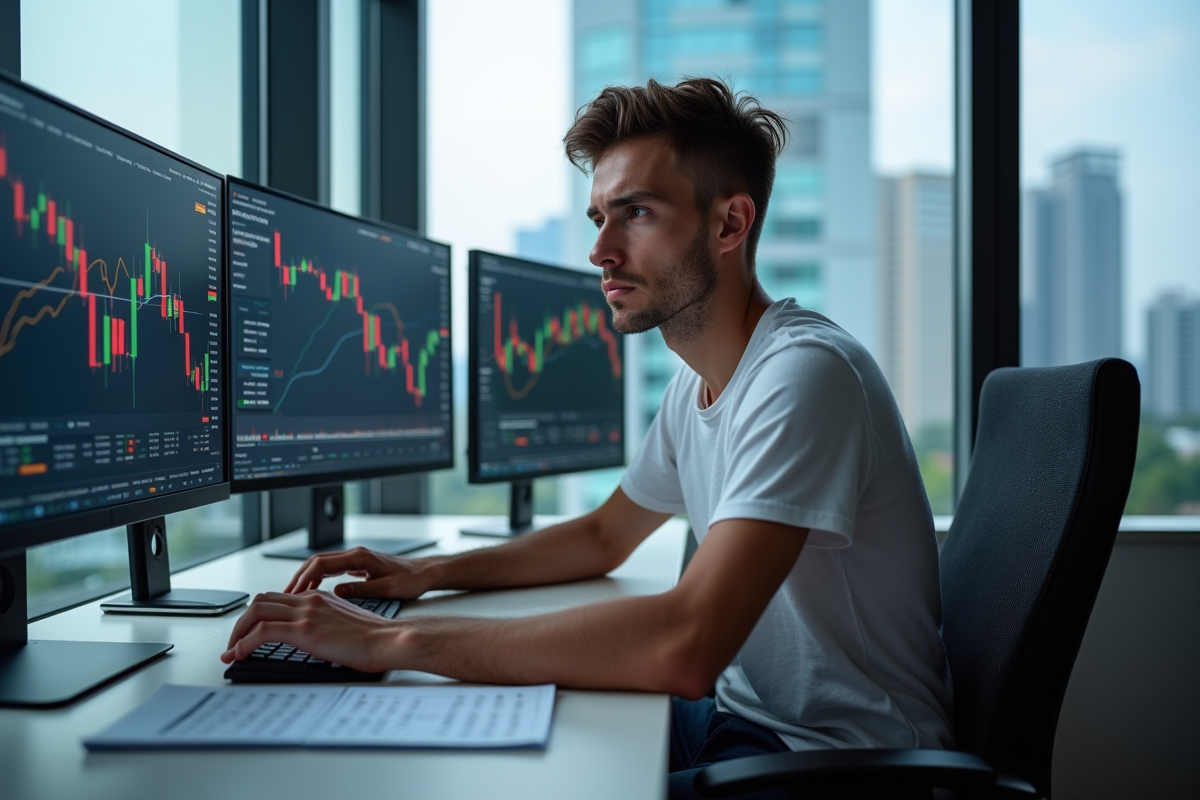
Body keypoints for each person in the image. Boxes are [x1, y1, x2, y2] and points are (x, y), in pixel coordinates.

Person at [223, 77, 953, 798]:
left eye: (635, 213)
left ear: (729, 225)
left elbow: (685, 645)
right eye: (598, 217)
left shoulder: (802, 376)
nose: (601, 249)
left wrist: (390, 641)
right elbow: (604, 536)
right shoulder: (696, 384)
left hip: (840, 765)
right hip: (746, 722)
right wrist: (426, 577)